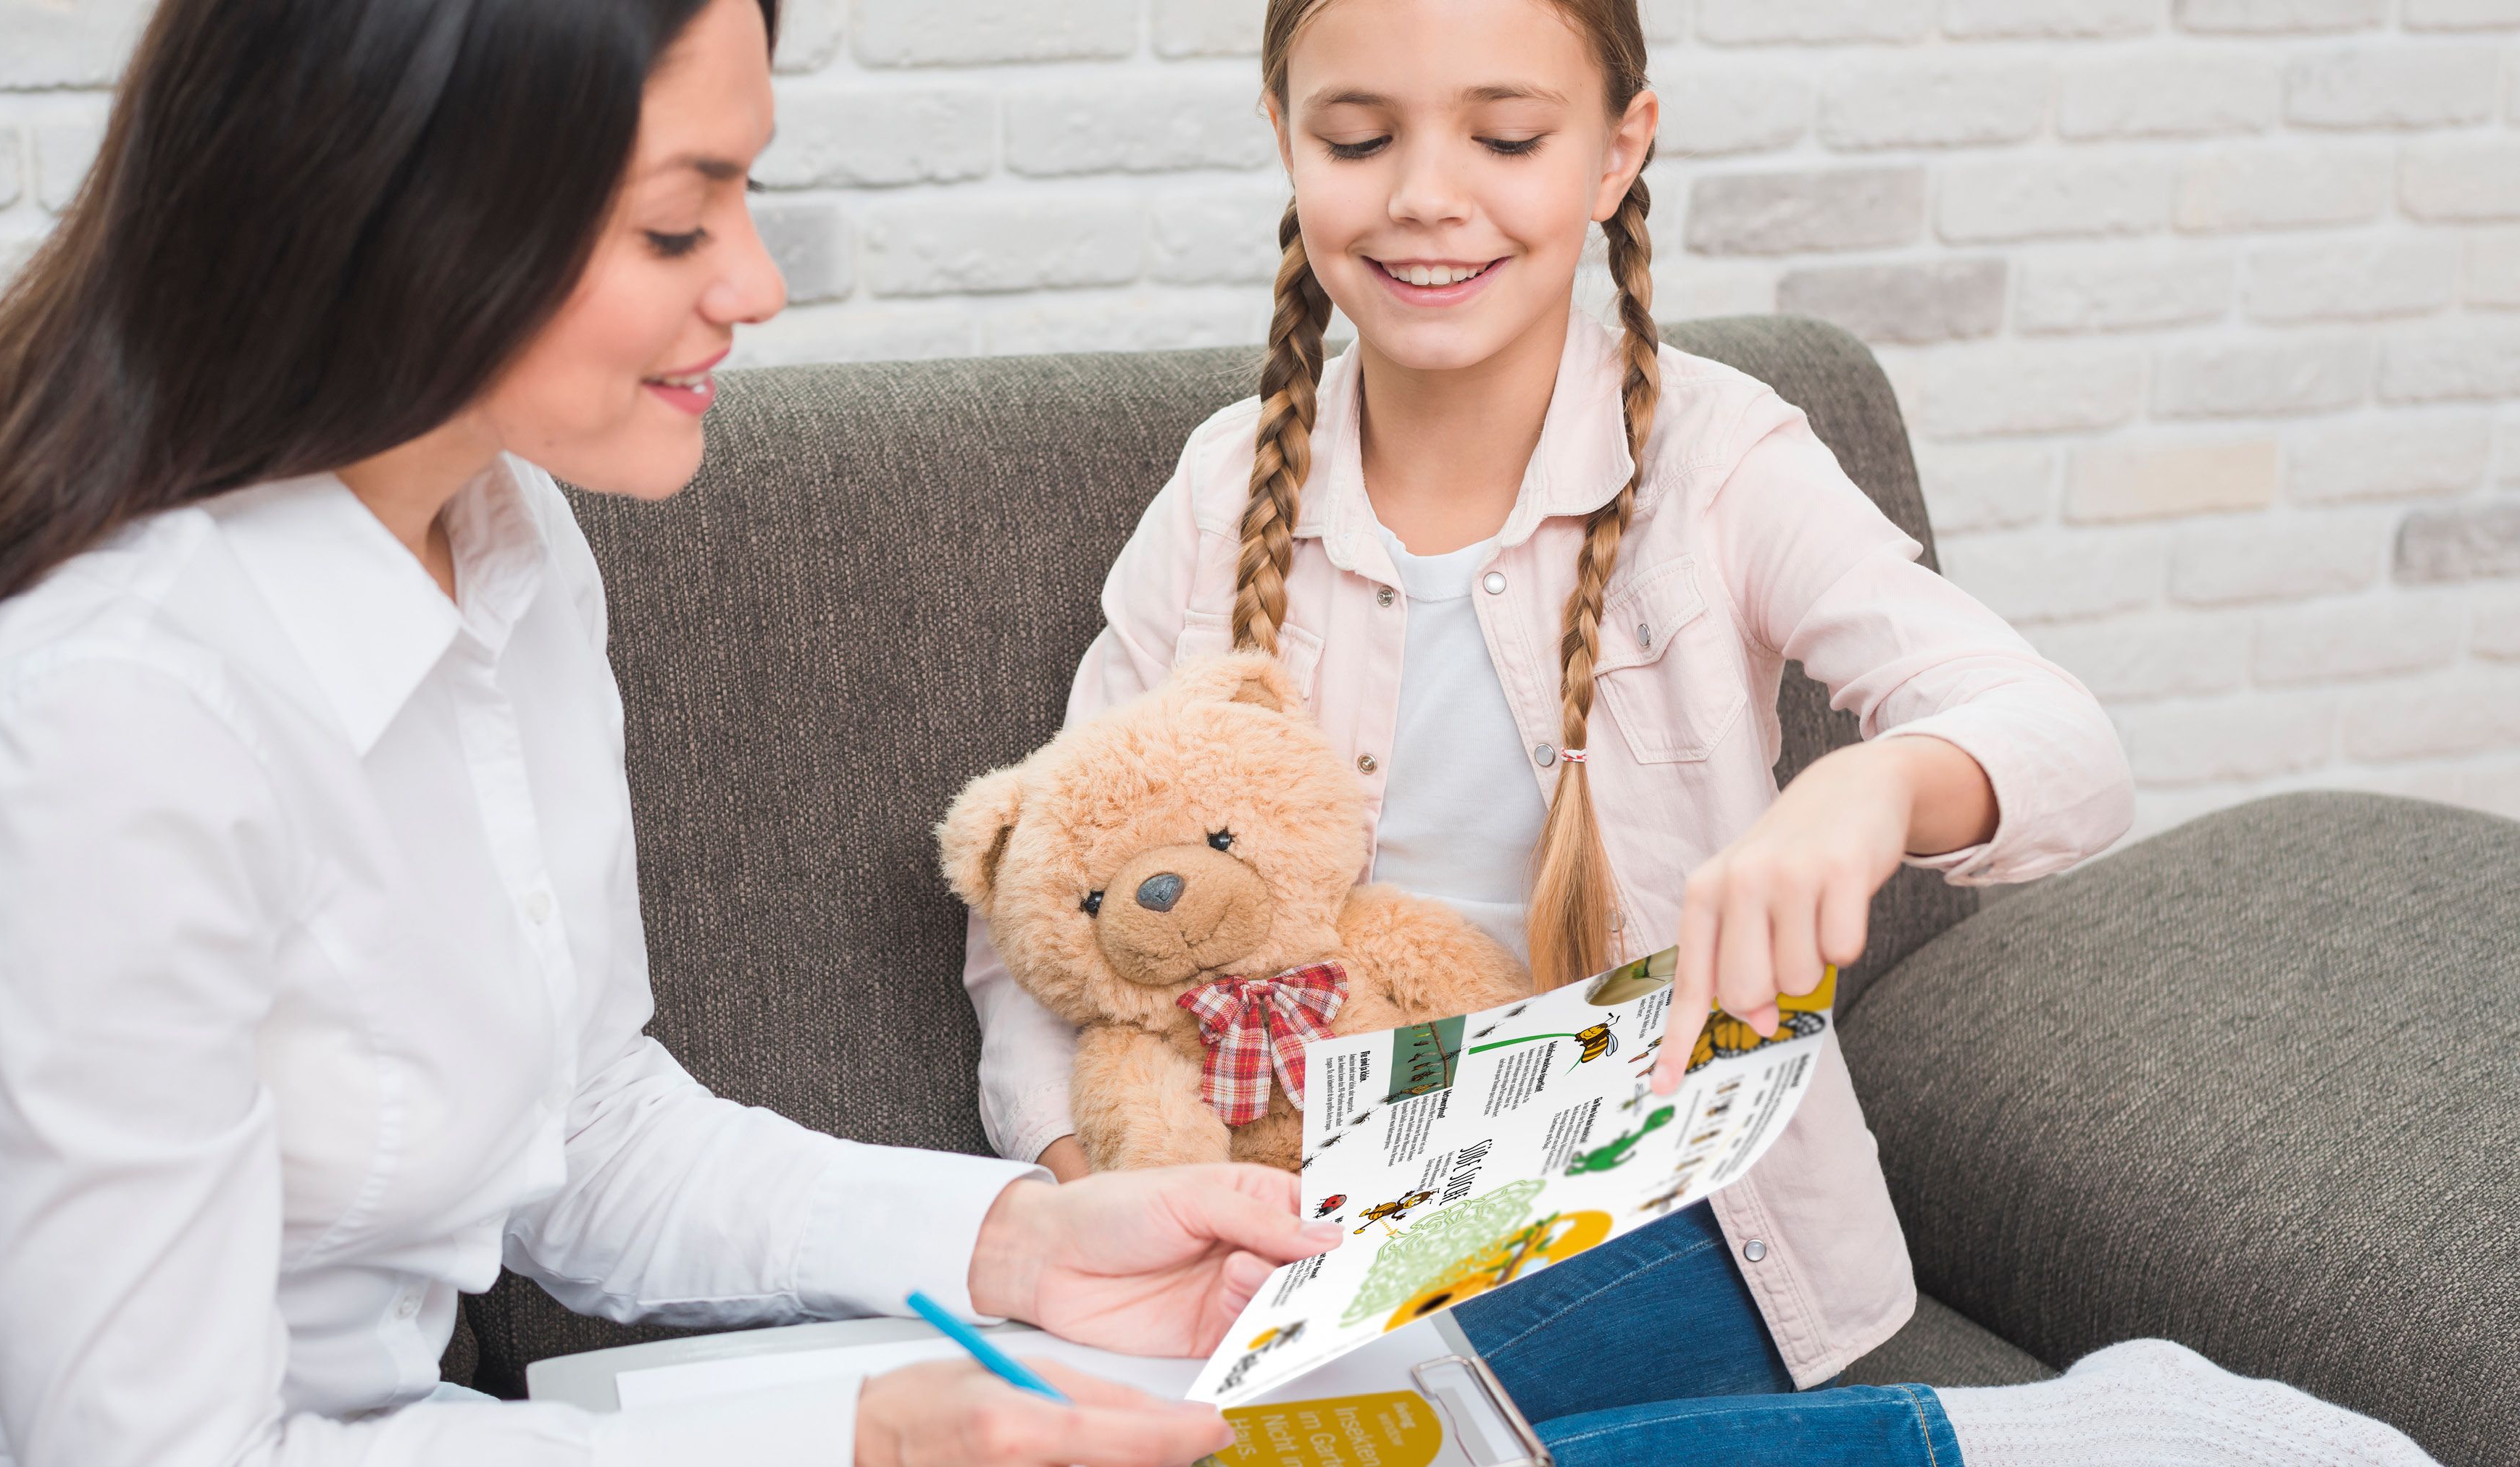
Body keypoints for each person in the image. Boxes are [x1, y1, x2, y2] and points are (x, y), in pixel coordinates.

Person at [961, 1, 2437, 1463]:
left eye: (1508, 133)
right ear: (1286, 138)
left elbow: (2060, 739)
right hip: (1310, 1199)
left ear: (1617, 151)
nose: (1425, 194)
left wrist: (1872, 790)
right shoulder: (1223, 496)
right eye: (1359, 135)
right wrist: (1097, 1191)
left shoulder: (1722, 463)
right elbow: (1038, 892)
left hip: (1661, 1182)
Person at [0, 1, 1334, 1463]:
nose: (759, 284)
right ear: (407, 214)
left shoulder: (511, 542)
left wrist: (1023, 1242)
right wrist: (852, 1444)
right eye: (673, 227)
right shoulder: (105, 717)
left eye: (745, 194)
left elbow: (584, 1129)